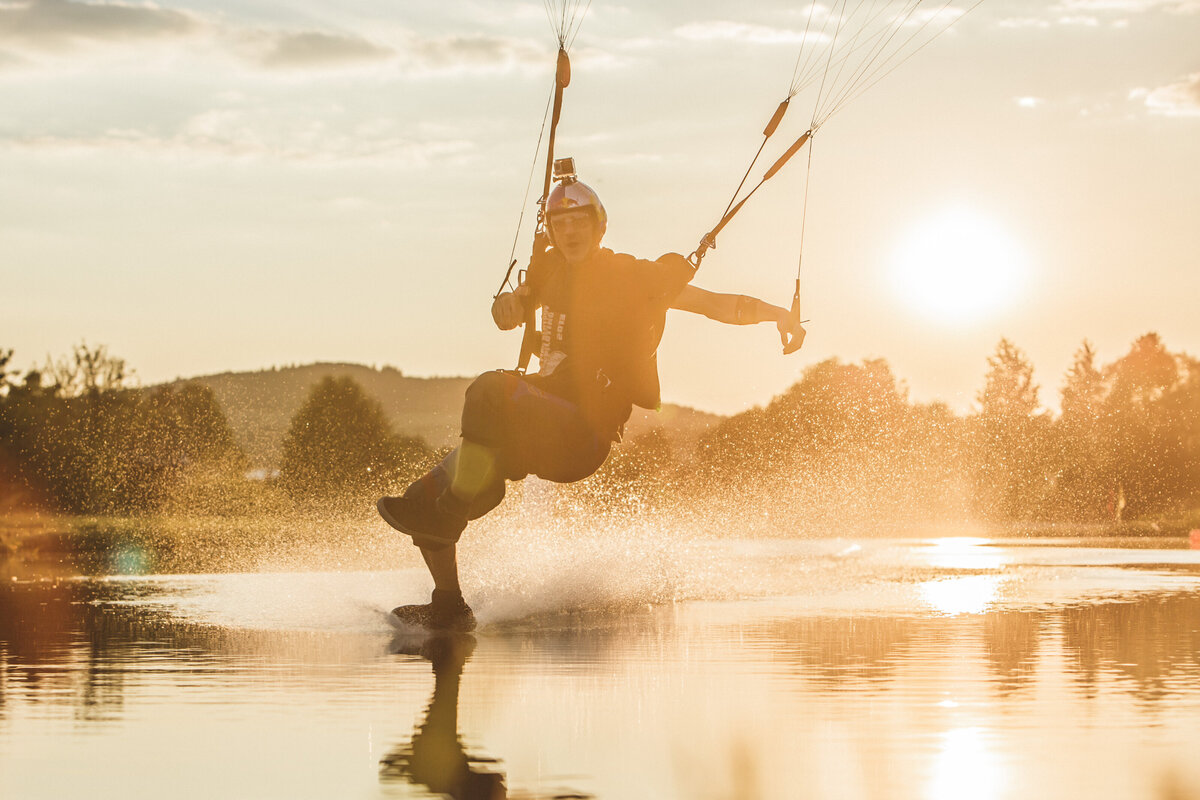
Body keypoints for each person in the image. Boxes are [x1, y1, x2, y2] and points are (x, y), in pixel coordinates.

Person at [378, 161, 806, 631]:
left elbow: (713, 304)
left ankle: (456, 510)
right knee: (422, 500)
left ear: (599, 227)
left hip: (581, 431)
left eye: (579, 222)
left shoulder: (633, 278)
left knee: (487, 392)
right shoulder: (547, 274)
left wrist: (779, 315)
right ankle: (449, 607)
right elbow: (510, 313)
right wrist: (508, 307)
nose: (570, 232)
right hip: (536, 420)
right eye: (560, 224)